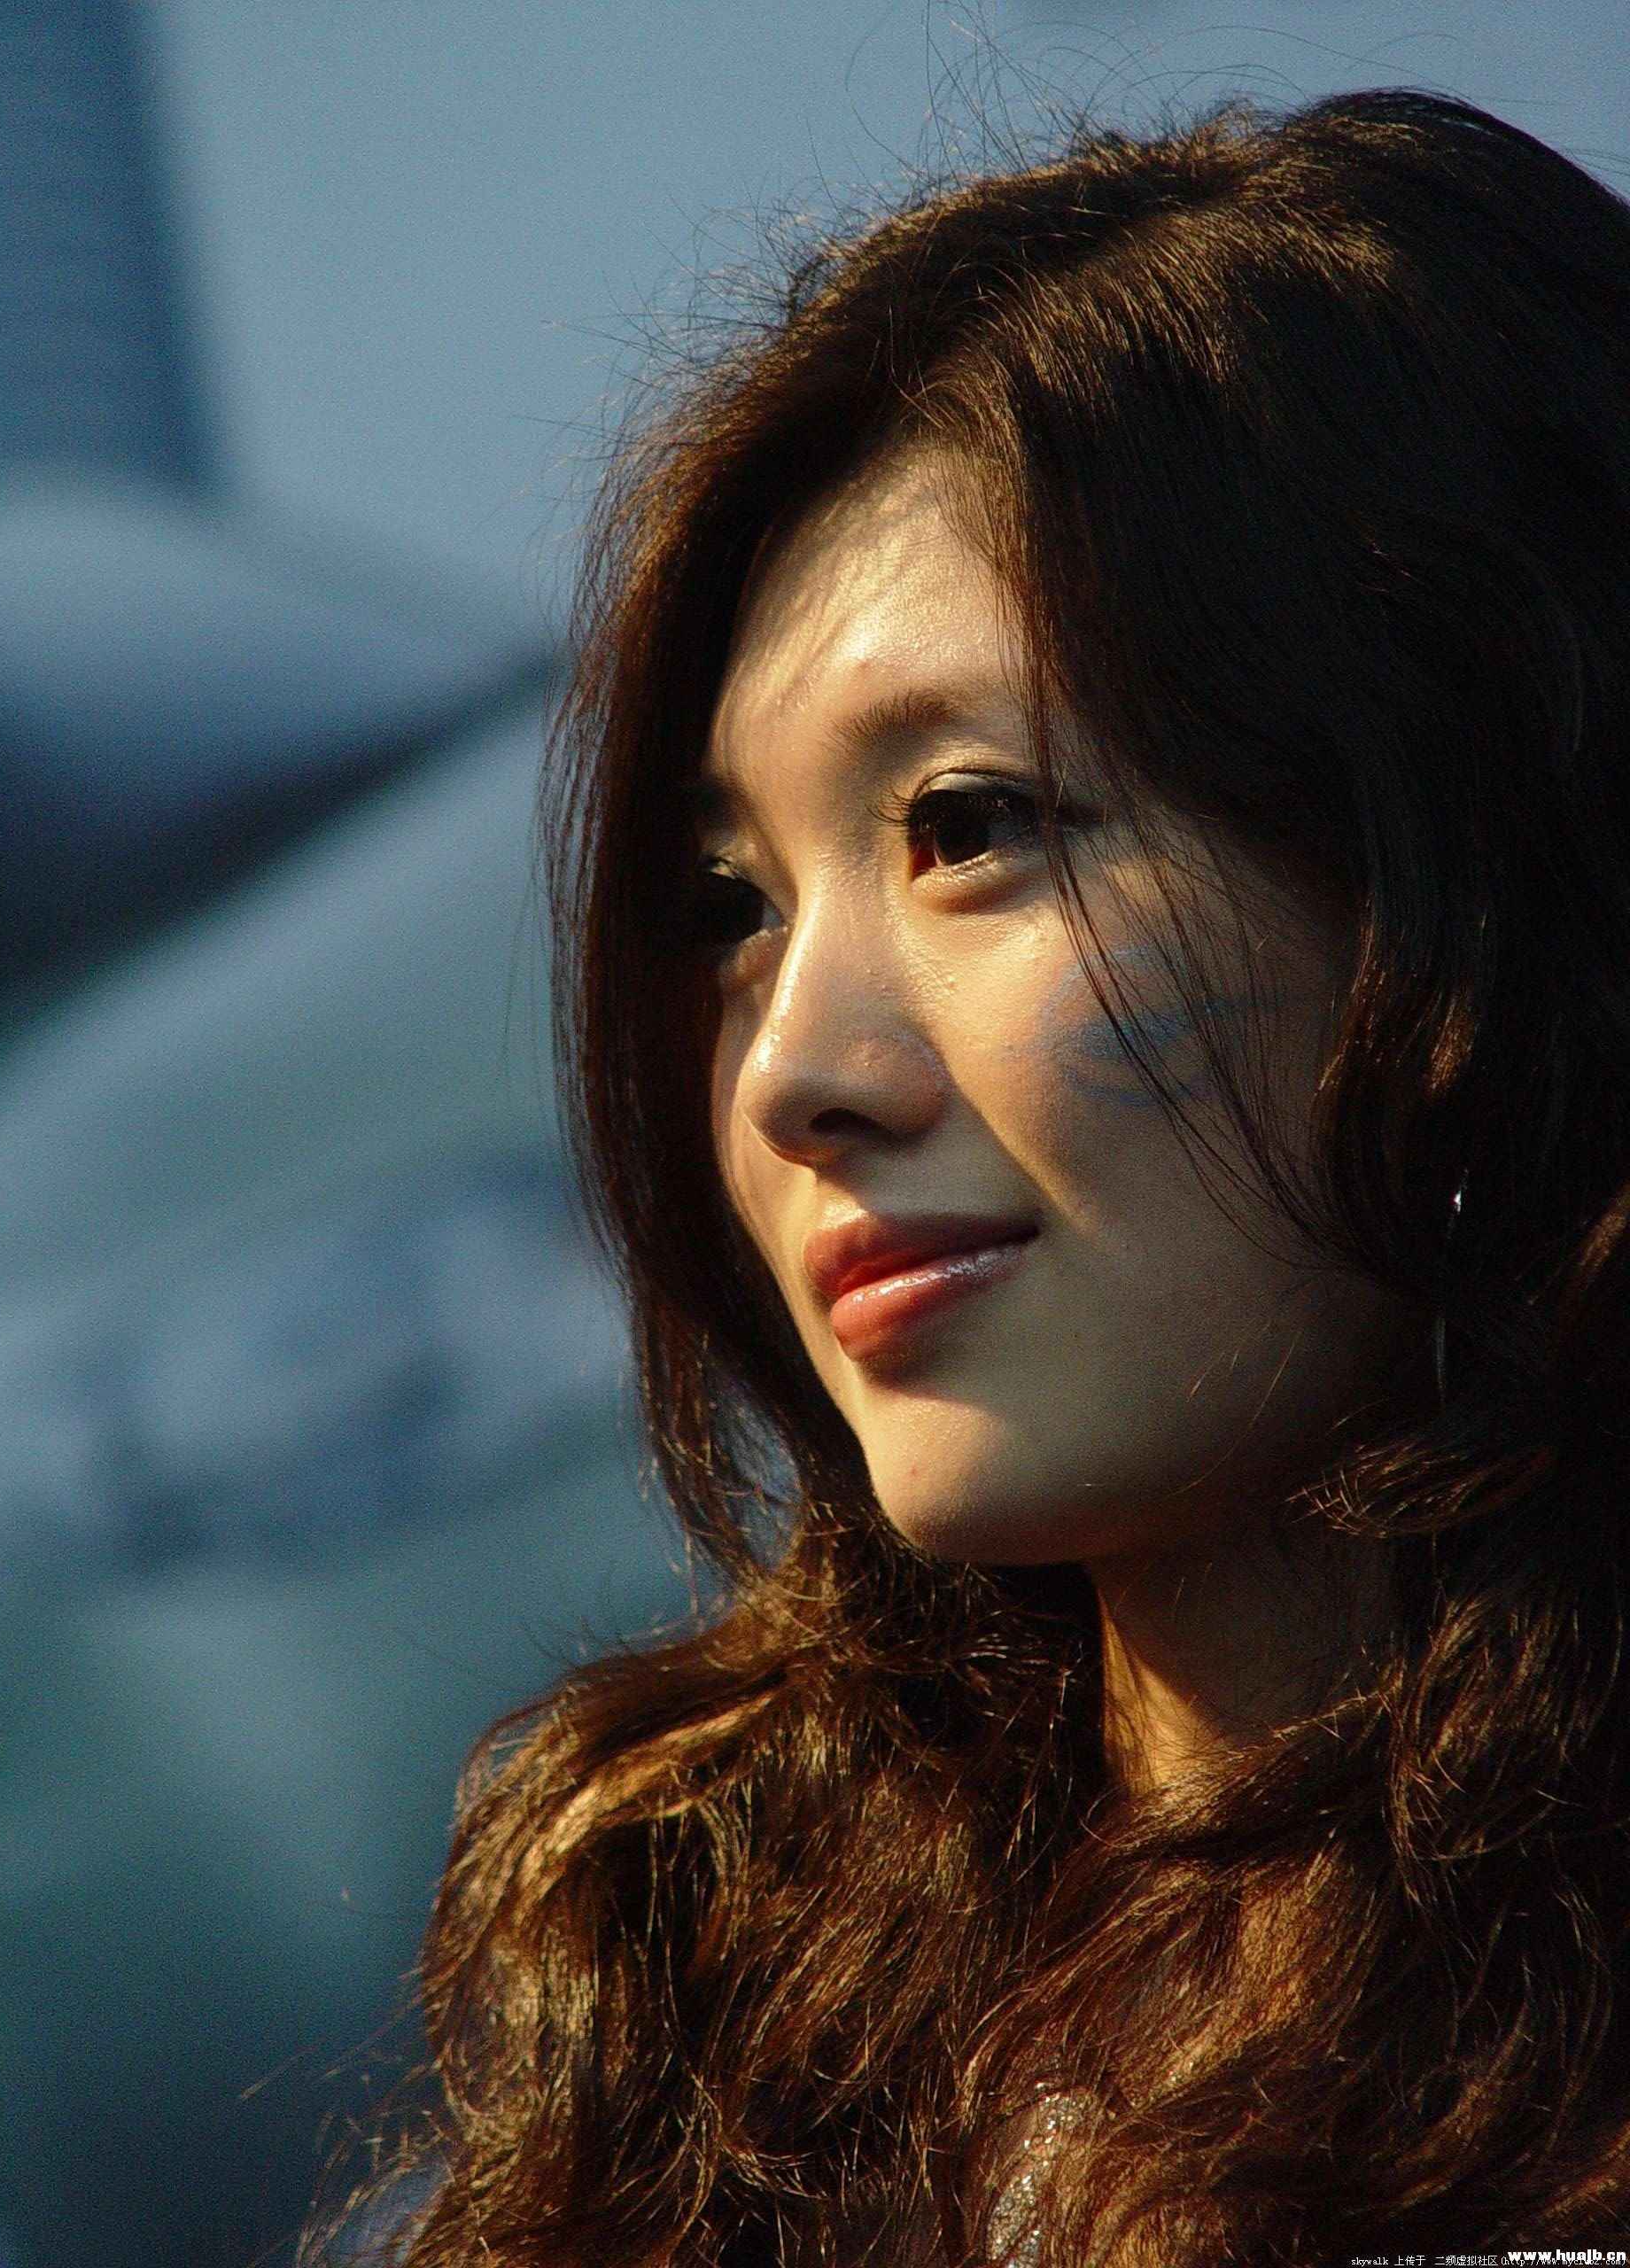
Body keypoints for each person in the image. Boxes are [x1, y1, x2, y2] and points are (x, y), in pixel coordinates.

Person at [307, 85, 1630, 2264]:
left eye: (969, 827)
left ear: (1487, 868)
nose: (791, 1074)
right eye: (731, 905)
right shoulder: (684, 2036)